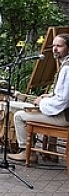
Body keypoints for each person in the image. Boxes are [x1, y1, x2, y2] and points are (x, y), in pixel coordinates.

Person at [7, 33, 69, 162]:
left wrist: (42, 102)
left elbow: (62, 100)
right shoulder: (65, 64)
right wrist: (48, 96)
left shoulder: (67, 69)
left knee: (19, 116)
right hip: (61, 112)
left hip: (63, 117)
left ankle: (27, 152)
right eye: (54, 45)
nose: (55, 49)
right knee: (18, 105)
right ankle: (47, 149)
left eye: (59, 46)